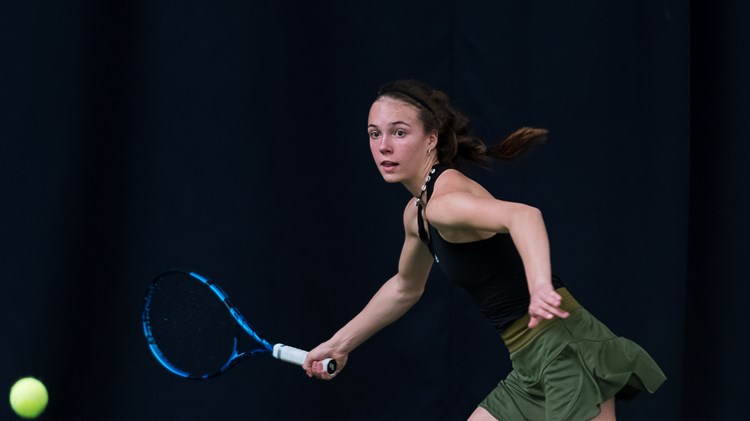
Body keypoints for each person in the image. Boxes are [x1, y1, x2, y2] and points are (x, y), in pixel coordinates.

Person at [302, 80, 666, 420]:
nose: (383, 146)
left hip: (565, 350)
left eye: (399, 132)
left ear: (431, 139)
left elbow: (524, 216)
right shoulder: (418, 213)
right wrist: (339, 343)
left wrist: (540, 287)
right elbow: (404, 287)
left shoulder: (443, 203)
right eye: (374, 133)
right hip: (529, 361)